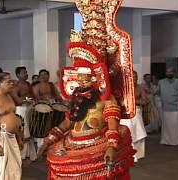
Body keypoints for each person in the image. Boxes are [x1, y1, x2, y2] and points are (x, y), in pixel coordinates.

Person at [38, 0, 136, 178]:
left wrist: (112, 146)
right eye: (79, 77)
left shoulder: (106, 99)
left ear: (95, 76)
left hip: (97, 142)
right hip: (74, 141)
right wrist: (50, 139)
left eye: (85, 78)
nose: (81, 82)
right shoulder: (78, 96)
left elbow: (112, 125)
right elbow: (69, 121)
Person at [0, 72, 23, 179]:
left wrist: (19, 137)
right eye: (8, 82)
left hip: (11, 136)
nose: (12, 84)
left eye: (12, 81)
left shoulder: (9, 96)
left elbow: (14, 117)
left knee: (15, 167)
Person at [120, 71, 148, 162]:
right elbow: (119, 101)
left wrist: (134, 101)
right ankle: (125, 155)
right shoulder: (122, 88)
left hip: (136, 113)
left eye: (136, 76)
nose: (134, 78)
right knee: (126, 134)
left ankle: (137, 155)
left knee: (137, 133)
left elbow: (146, 101)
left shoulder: (139, 88)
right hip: (125, 114)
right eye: (133, 76)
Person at [11, 66, 37, 162]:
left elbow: (33, 96)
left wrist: (32, 101)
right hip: (20, 109)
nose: (26, 74)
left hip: (29, 108)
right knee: (24, 131)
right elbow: (17, 99)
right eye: (23, 72)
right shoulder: (15, 86)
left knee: (31, 130)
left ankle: (30, 154)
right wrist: (26, 100)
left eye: (26, 72)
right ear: (18, 75)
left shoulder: (28, 84)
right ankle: (22, 154)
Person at [156, 67, 178, 145]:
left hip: (176, 107)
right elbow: (157, 92)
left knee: (176, 125)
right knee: (166, 125)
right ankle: (166, 141)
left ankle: (176, 141)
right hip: (165, 107)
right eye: (167, 72)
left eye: (171, 72)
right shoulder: (161, 82)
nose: (169, 73)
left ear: (174, 73)